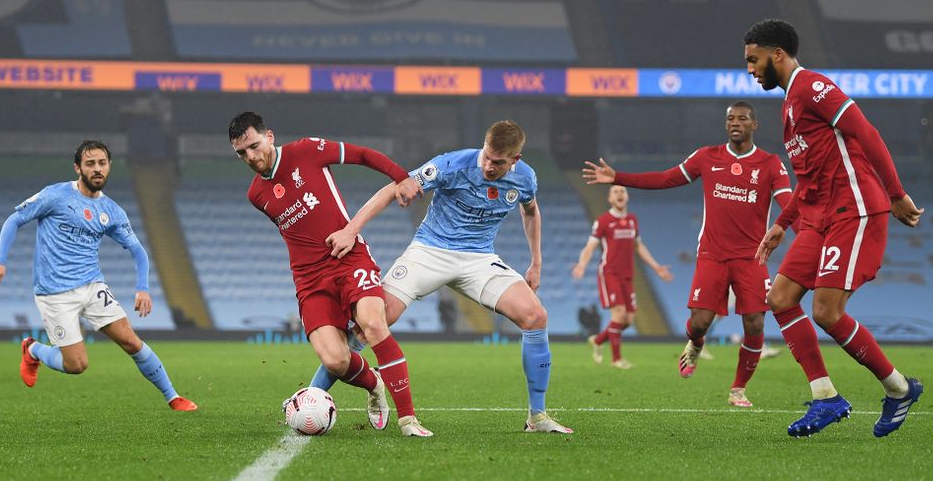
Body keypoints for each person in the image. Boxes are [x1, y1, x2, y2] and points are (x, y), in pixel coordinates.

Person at [311, 120, 572, 433]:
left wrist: (536, 262)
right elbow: (395, 187)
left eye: (498, 162)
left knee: (535, 316)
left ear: (515, 159)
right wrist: (351, 230)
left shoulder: (526, 178)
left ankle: (538, 417)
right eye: (487, 156)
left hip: (479, 259)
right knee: (373, 321)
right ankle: (313, 395)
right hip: (430, 251)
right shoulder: (453, 164)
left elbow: (530, 211)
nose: (489, 165)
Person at [744, 19, 924, 437]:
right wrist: (781, 224)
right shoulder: (789, 106)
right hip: (818, 218)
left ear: (777, 55)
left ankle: (898, 389)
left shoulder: (812, 87)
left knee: (826, 311)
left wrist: (895, 192)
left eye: (754, 61)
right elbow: (807, 179)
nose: (750, 70)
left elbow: (865, 131)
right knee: (781, 298)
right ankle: (826, 397)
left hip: (854, 211)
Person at [228, 112, 432, 437]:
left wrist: (401, 177)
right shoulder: (257, 195)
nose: (251, 157)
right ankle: (375, 384)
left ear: (269, 136)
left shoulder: (307, 150)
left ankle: (408, 419)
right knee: (336, 360)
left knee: (374, 323)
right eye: (241, 153)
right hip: (309, 280)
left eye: (254, 146)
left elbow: (363, 155)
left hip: (348, 258)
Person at [583, 101, 793, 408]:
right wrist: (619, 177)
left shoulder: (770, 163)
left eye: (743, 119)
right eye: (731, 118)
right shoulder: (707, 157)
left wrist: (807, 232)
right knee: (699, 323)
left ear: (754, 125)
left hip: (752, 257)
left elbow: (788, 203)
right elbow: (667, 178)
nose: (736, 123)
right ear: (726, 125)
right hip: (712, 254)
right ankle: (695, 345)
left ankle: (738, 389)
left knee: (756, 323)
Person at [0, 141, 197, 411]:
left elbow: (138, 251)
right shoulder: (56, 195)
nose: (97, 169)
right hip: (55, 291)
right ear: (78, 167)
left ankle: (172, 396)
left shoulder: (111, 211)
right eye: (90, 163)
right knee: (77, 365)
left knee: (130, 340)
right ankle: (32, 350)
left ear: (109, 166)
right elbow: (13, 220)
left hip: (92, 286)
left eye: (102, 163)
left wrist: (142, 288)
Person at [571, 185, 674, 369]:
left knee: (627, 321)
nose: (619, 194)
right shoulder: (603, 221)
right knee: (618, 315)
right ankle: (616, 359)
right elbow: (590, 246)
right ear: (610, 199)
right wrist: (581, 265)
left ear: (627, 197)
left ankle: (598, 340)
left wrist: (657, 267)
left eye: (622, 192)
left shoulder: (632, 220)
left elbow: (639, 246)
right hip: (609, 273)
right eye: (615, 192)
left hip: (628, 275)